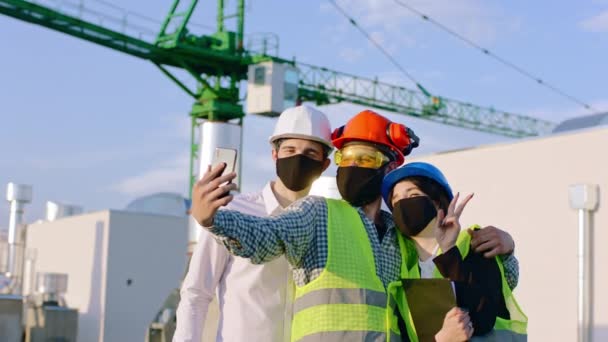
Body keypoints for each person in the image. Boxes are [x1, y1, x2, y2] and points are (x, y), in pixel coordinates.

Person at [190, 109, 519, 341]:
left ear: (389, 167)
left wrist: (506, 249)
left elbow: (454, 294)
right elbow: (266, 236)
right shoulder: (317, 213)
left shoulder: (401, 237)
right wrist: (214, 219)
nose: (352, 166)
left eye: (365, 158)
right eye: (345, 158)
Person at [173, 105, 333, 342]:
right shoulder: (231, 211)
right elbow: (196, 291)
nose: (298, 158)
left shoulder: (327, 223)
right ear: (274, 155)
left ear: (324, 165)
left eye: (310, 154)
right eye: (290, 149)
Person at [381, 162, 528, 341]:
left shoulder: (474, 244)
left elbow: (482, 317)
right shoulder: (404, 266)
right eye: (396, 201)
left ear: (437, 202)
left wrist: (449, 250)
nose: (403, 204)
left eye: (413, 194)